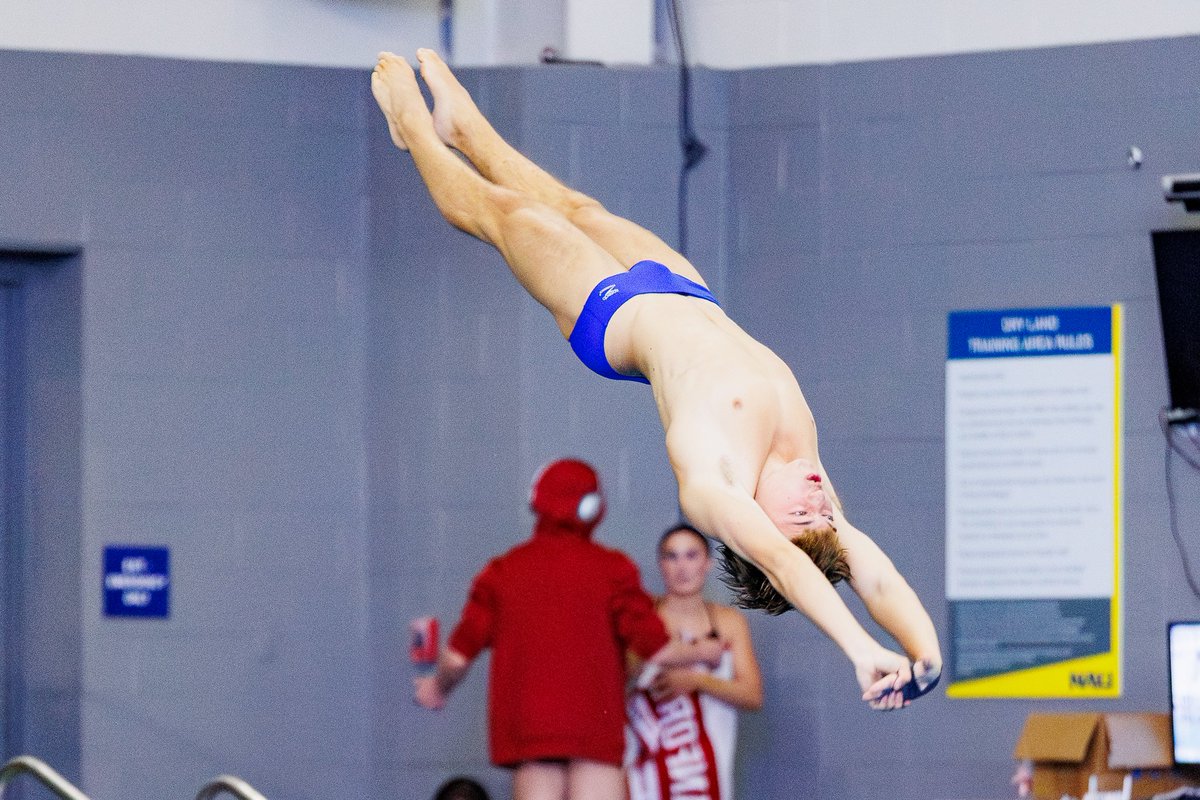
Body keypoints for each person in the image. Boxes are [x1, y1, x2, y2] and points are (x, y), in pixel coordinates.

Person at [374, 48, 942, 710]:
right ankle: (467, 130)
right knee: (577, 208)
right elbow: (878, 580)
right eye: (825, 513)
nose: (820, 501)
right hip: (684, 294)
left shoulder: (718, 483)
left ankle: (412, 130)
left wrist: (860, 650)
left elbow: (788, 565)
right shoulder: (809, 485)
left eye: (803, 515)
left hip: (609, 320)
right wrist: (924, 657)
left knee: (511, 218)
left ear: (757, 528)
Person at [414, 459, 725, 800]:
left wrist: (436, 688)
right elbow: (659, 649)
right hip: (595, 731)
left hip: (529, 733)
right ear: (592, 508)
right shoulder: (614, 570)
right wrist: (704, 652)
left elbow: (457, 659)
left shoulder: (502, 572)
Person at [626, 524, 763, 800]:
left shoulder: (728, 623)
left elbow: (752, 695)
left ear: (708, 563)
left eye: (691, 556)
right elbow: (623, 674)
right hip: (647, 775)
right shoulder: (643, 619)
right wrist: (695, 654)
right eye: (672, 556)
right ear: (660, 564)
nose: (682, 567)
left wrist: (695, 680)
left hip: (704, 777)